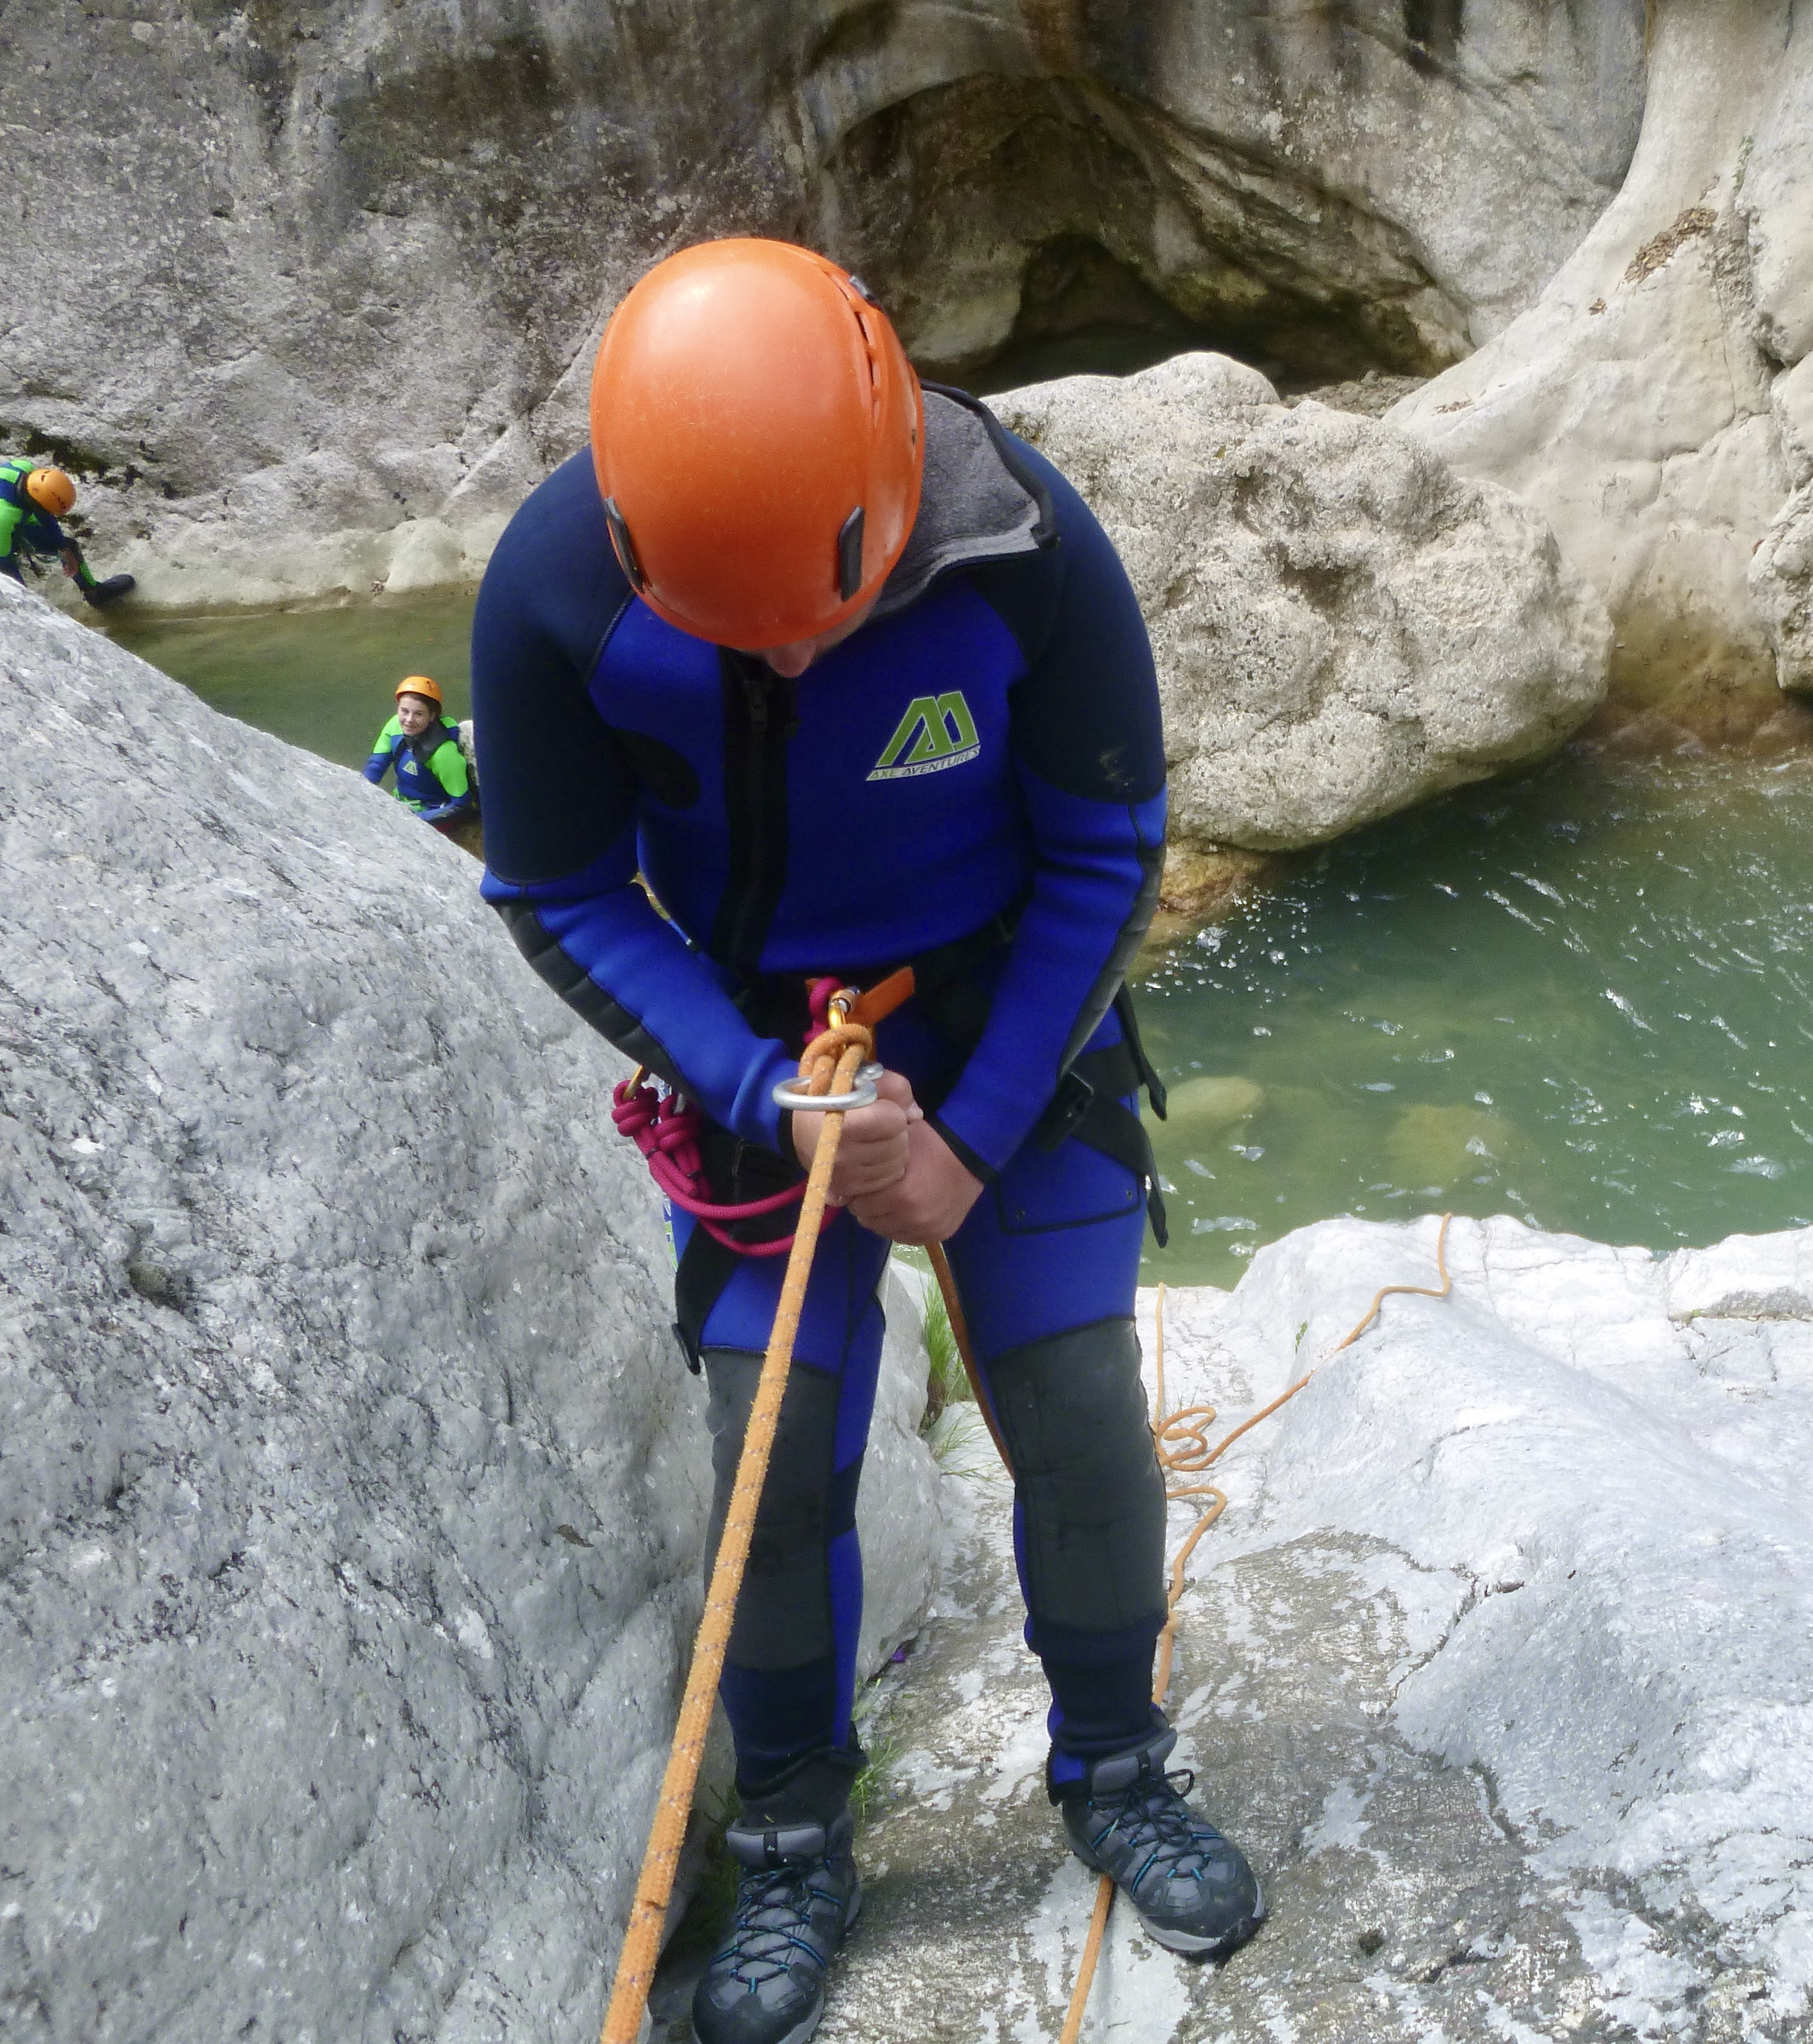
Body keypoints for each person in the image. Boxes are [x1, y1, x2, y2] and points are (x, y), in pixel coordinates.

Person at [470, 239, 1256, 2044]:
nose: (808, 644)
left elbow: (1104, 852)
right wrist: (768, 1094)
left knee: (1072, 1406)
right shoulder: (553, 593)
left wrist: (967, 1144)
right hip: (759, 1046)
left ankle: (1117, 1764)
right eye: (756, 629)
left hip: (1005, 1027)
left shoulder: (1022, 547)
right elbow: (564, 890)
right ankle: (802, 1834)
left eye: (832, 602)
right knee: (781, 1427)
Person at [0, 457, 134, 605]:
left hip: (16, 519)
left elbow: (44, 515)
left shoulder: (24, 470)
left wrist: (63, 547)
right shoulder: (0, 517)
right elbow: (1, 563)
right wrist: (32, 604)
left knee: (69, 546)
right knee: (16, 588)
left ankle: (95, 594)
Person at [361, 675, 479, 841]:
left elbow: (462, 804)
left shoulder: (444, 753)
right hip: (401, 803)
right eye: (404, 711)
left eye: (418, 714)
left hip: (433, 812)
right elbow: (375, 768)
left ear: (432, 716)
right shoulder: (394, 726)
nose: (409, 720)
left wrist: (418, 819)